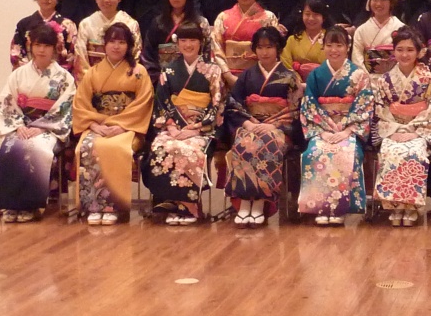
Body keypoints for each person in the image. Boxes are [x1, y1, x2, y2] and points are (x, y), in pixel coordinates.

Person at [72, 22, 154, 225]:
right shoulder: (93, 72)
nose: (116, 46)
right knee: (87, 147)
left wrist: (123, 125)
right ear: (104, 44)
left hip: (127, 127)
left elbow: (144, 103)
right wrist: (93, 125)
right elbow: (81, 103)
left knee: (115, 147)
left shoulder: (139, 72)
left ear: (129, 46)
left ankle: (113, 206)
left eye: (122, 42)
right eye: (112, 42)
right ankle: (93, 205)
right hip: (99, 125)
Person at [0, 24, 76, 223]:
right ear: (31, 46)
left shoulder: (64, 77)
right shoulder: (18, 74)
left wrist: (42, 127)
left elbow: (67, 108)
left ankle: (31, 205)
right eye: (38, 45)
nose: (41, 50)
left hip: (48, 129)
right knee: (7, 149)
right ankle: (10, 204)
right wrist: (18, 125)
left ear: (54, 48)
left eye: (46, 46)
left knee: (37, 150)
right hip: (22, 126)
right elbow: (7, 102)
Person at [142, 22, 223, 225]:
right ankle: (170, 202)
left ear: (201, 42)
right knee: (161, 146)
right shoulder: (168, 70)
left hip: (201, 130)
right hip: (173, 128)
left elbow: (217, 103)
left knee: (188, 150)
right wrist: (171, 127)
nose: (188, 45)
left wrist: (195, 129)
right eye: (184, 40)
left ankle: (189, 207)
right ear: (177, 44)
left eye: (193, 40)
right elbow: (161, 102)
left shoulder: (213, 70)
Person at [225, 26, 302, 227]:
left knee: (266, 144)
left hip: (279, 129)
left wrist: (274, 125)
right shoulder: (246, 75)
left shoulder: (290, 76)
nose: (264, 52)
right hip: (251, 124)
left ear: (278, 49)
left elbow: (296, 111)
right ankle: (244, 202)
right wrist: (248, 124)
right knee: (244, 143)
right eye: (259, 47)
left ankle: (260, 203)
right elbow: (233, 104)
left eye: (269, 47)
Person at [298, 26, 373, 225]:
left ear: (348, 47)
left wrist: (347, 130)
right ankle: (321, 206)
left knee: (346, 152)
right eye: (329, 45)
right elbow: (309, 105)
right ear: (323, 47)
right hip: (322, 129)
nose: (334, 50)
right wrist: (323, 131)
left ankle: (340, 208)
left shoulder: (360, 75)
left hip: (348, 130)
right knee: (314, 152)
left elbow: (364, 106)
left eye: (339, 45)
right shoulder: (315, 75)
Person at [373, 26, 431, 227]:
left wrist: (412, 131)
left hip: (418, 131)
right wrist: (395, 130)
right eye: (400, 49)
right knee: (390, 151)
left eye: (410, 50)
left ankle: (410, 206)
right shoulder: (384, 80)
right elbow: (380, 110)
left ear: (419, 52)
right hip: (392, 130)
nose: (404, 54)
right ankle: (395, 206)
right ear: (393, 51)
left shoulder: (429, 80)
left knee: (414, 152)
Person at [140, 0, 214, 86]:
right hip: (163, 79)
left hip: (194, 79)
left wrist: (198, 76)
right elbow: (148, 54)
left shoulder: (200, 23)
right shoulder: (158, 23)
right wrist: (158, 78)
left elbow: (206, 53)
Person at [212, 0, 279, 90]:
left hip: (259, 75)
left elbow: (274, 49)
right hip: (226, 75)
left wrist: (258, 75)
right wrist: (227, 75)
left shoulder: (268, 18)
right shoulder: (223, 17)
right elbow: (216, 48)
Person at [74, 0, 141, 81]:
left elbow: (134, 56)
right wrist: (91, 82)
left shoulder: (130, 24)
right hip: (93, 80)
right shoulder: (86, 24)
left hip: (122, 80)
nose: (106, 0)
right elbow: (81, 59)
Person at [10, 0, 77, 73]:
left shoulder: (68, 25)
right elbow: (17, 55)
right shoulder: (24, 24)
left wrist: (54, 74)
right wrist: (33, 72)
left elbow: (72, 56)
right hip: (29, 76)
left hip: (58, 77)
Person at [351, 0, 405, 75]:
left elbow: (405, 57)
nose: (379, 4)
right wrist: (368, 78)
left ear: (391, 2)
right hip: (367, 78)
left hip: (395, 78)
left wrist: (390, 78)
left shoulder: (401, 28)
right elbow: (357, 59)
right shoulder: (361, 30)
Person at [281, 0, 329, 82]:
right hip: (297, 85)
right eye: (307, 14)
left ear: (323, 17)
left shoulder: (331, 39)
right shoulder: (292, 40)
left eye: (316, 14)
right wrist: (298, 82)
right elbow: (286, 65)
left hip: (324, 84)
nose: (311, 18)